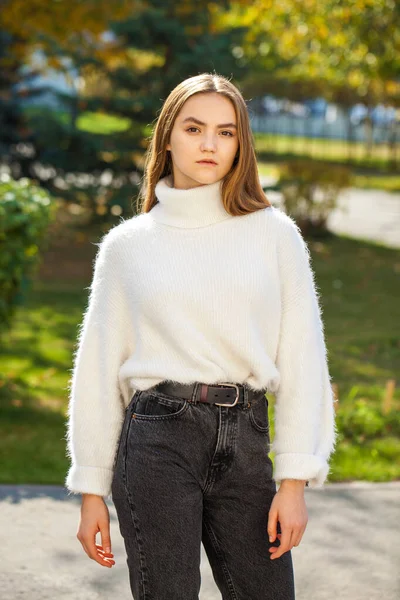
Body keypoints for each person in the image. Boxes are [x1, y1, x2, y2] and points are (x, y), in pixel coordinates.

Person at [65, 72, 337, 600]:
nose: (210, 144)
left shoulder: (275, 234)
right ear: (168, 137)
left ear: (242, 144)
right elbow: (96, 371)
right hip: (156, 440)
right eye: (194, 128)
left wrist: (294, 480)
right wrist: (92, 488)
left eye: (227, 131)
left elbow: (304, 359)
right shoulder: (127, 246)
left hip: (247, 438)